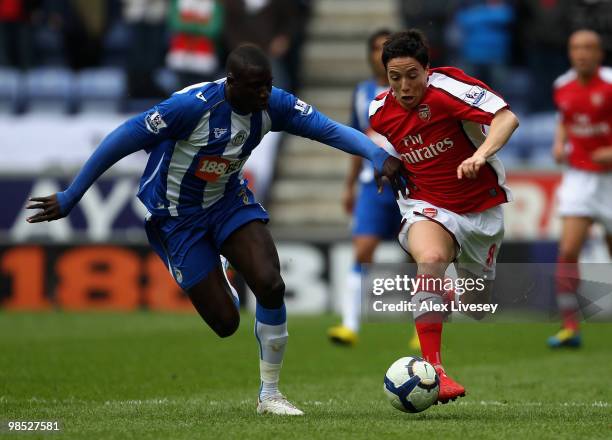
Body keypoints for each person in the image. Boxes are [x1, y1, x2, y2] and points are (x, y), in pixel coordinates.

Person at [25, 44, 408, 416]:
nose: (265, 93)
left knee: (271, 285)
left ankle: (270, 395)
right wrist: (73, 194)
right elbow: (123, 138)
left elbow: (328, 129)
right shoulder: (189, 109)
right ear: (231, 82)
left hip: (227, 202)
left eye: (268, 84)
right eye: (256, 86)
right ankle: (220, 266)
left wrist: (377, 155)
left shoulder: (273, 103)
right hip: (176, 217)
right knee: (226, 324)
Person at [368, 30, 519, 403]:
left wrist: (480, 155)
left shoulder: (448, 89)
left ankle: (449, 294)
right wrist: (386, 167)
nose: (404, 86)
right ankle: (434, 369)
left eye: (412, 75)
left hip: (480, 211)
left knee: (477, 306)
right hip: (426, 204)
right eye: (394, 77)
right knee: (431, 259)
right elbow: (392, 150)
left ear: (427, 70)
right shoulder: (379, 112)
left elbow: (507, 118)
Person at [327, 29, 419, 350]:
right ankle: (349, 324)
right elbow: (357, 142)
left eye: (387, 48)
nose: (382, 54)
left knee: (419, 256)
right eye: (377, 48)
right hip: (373, 185)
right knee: (363, 251)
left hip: (413, 183)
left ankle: (421, 327)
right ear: (370, 55)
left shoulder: (417, 89)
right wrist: (349, 185)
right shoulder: (362, 92)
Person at [548, 29, 612, 348]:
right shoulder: (562, 85)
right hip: (580, 177)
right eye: (576, 48)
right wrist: (559, 142)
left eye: (589, 47)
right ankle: (570, 326)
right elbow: (565, 118)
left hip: (610, 179)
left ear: (600, 53)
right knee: (568, 250)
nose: (582, 53)